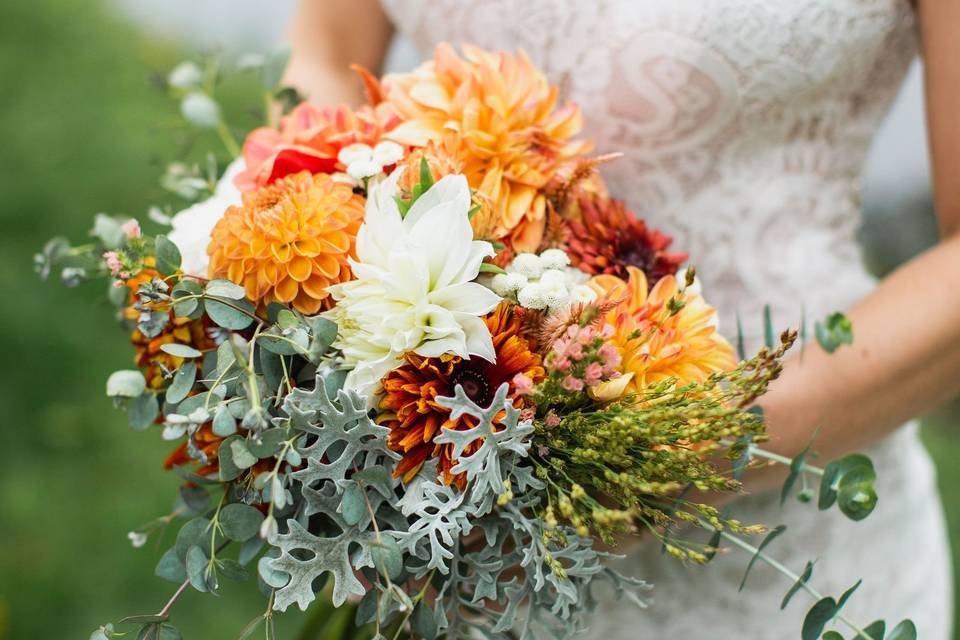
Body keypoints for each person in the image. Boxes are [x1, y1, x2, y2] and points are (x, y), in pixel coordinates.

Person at [282, 1, 960, 637]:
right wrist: (294, 292)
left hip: (785, 545)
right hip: (452, 520)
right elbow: (328, 58)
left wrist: (685, 448)